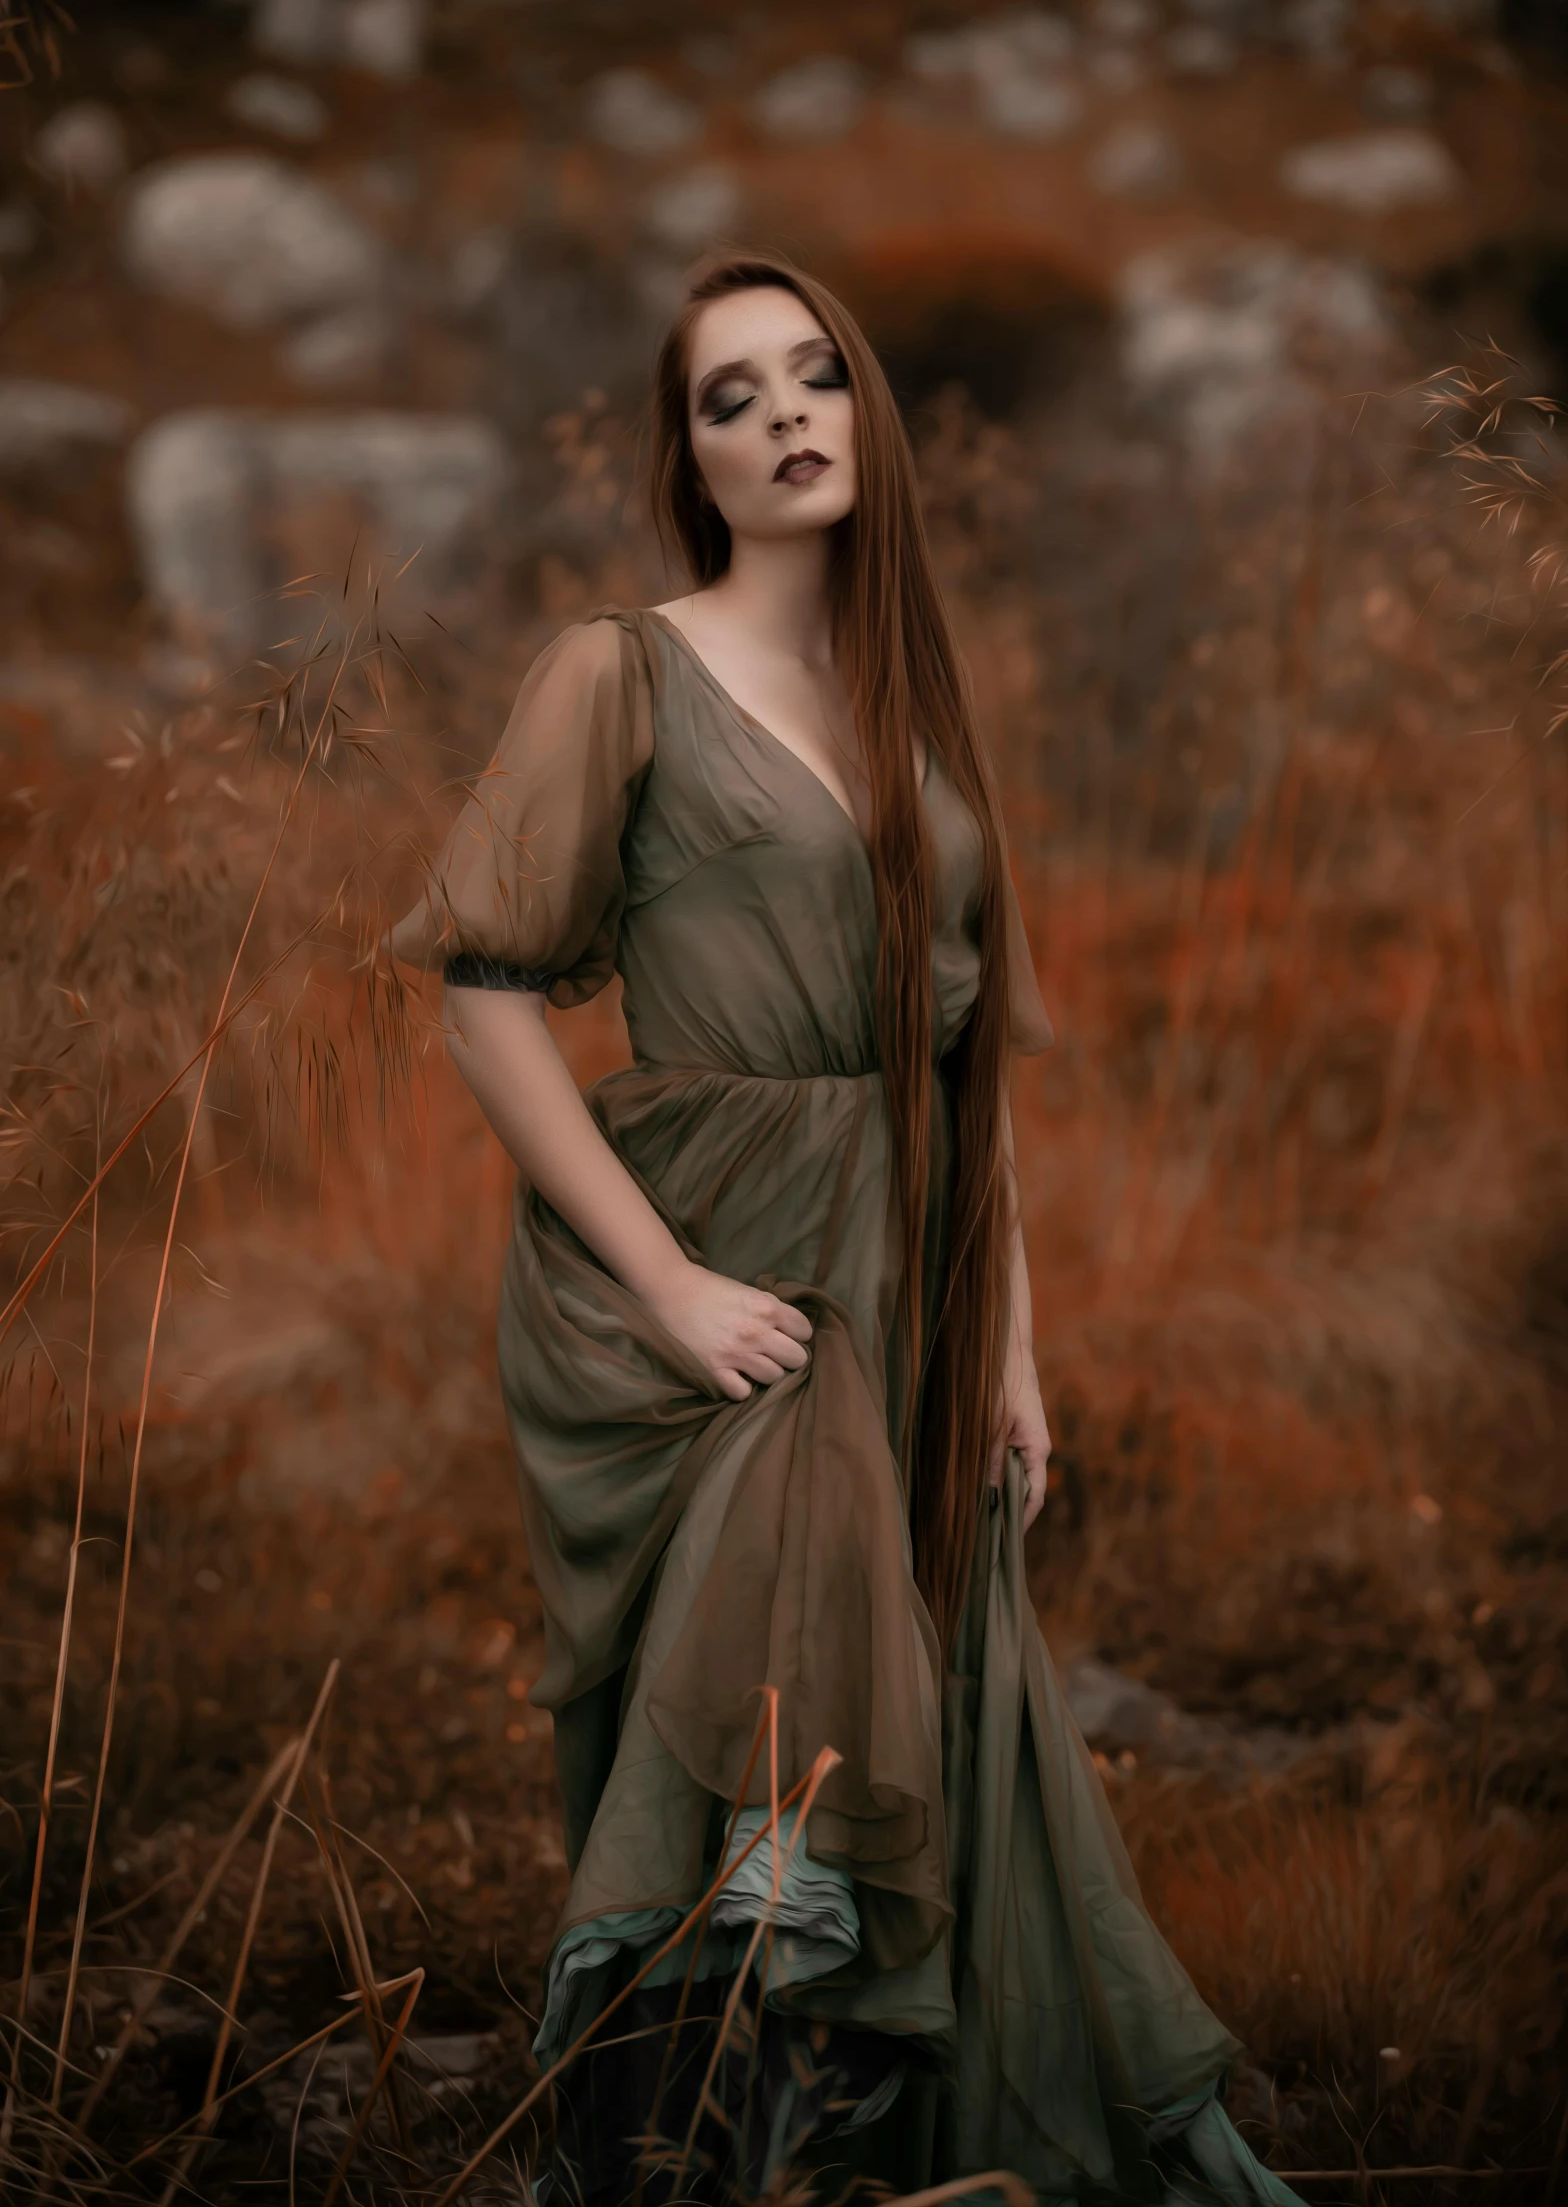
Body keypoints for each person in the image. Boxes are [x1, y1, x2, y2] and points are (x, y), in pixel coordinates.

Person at [391, 253, 1299, 2205]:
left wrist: (1017, 1349)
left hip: (917, 1287)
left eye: (818, 374)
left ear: (870, 418)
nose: (788, 413)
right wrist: (671, 1283)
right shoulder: (614, 669)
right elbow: (483, 995)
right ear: (689, 455)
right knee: (761, 1761)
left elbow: (961, 1084)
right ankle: (674, 2171)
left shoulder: (914, 710)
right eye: (733, 393)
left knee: (917, 1738)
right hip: (728, 1276)